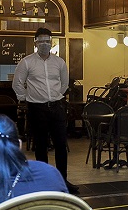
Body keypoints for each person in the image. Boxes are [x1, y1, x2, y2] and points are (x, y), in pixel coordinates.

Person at [12, 27, 79, 194]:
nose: (44, 44)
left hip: (57, 107)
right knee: (41, 146)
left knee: (61, 145)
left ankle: (62, 181)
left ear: (51, 42)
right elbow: (17, 83)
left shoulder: (59, 62)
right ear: (36, 43)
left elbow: (64, 84)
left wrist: (57, 95)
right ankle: (43, 182)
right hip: (37, 108)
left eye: (47, 41)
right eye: (41, 41)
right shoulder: (27, 62)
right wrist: (26, 98)